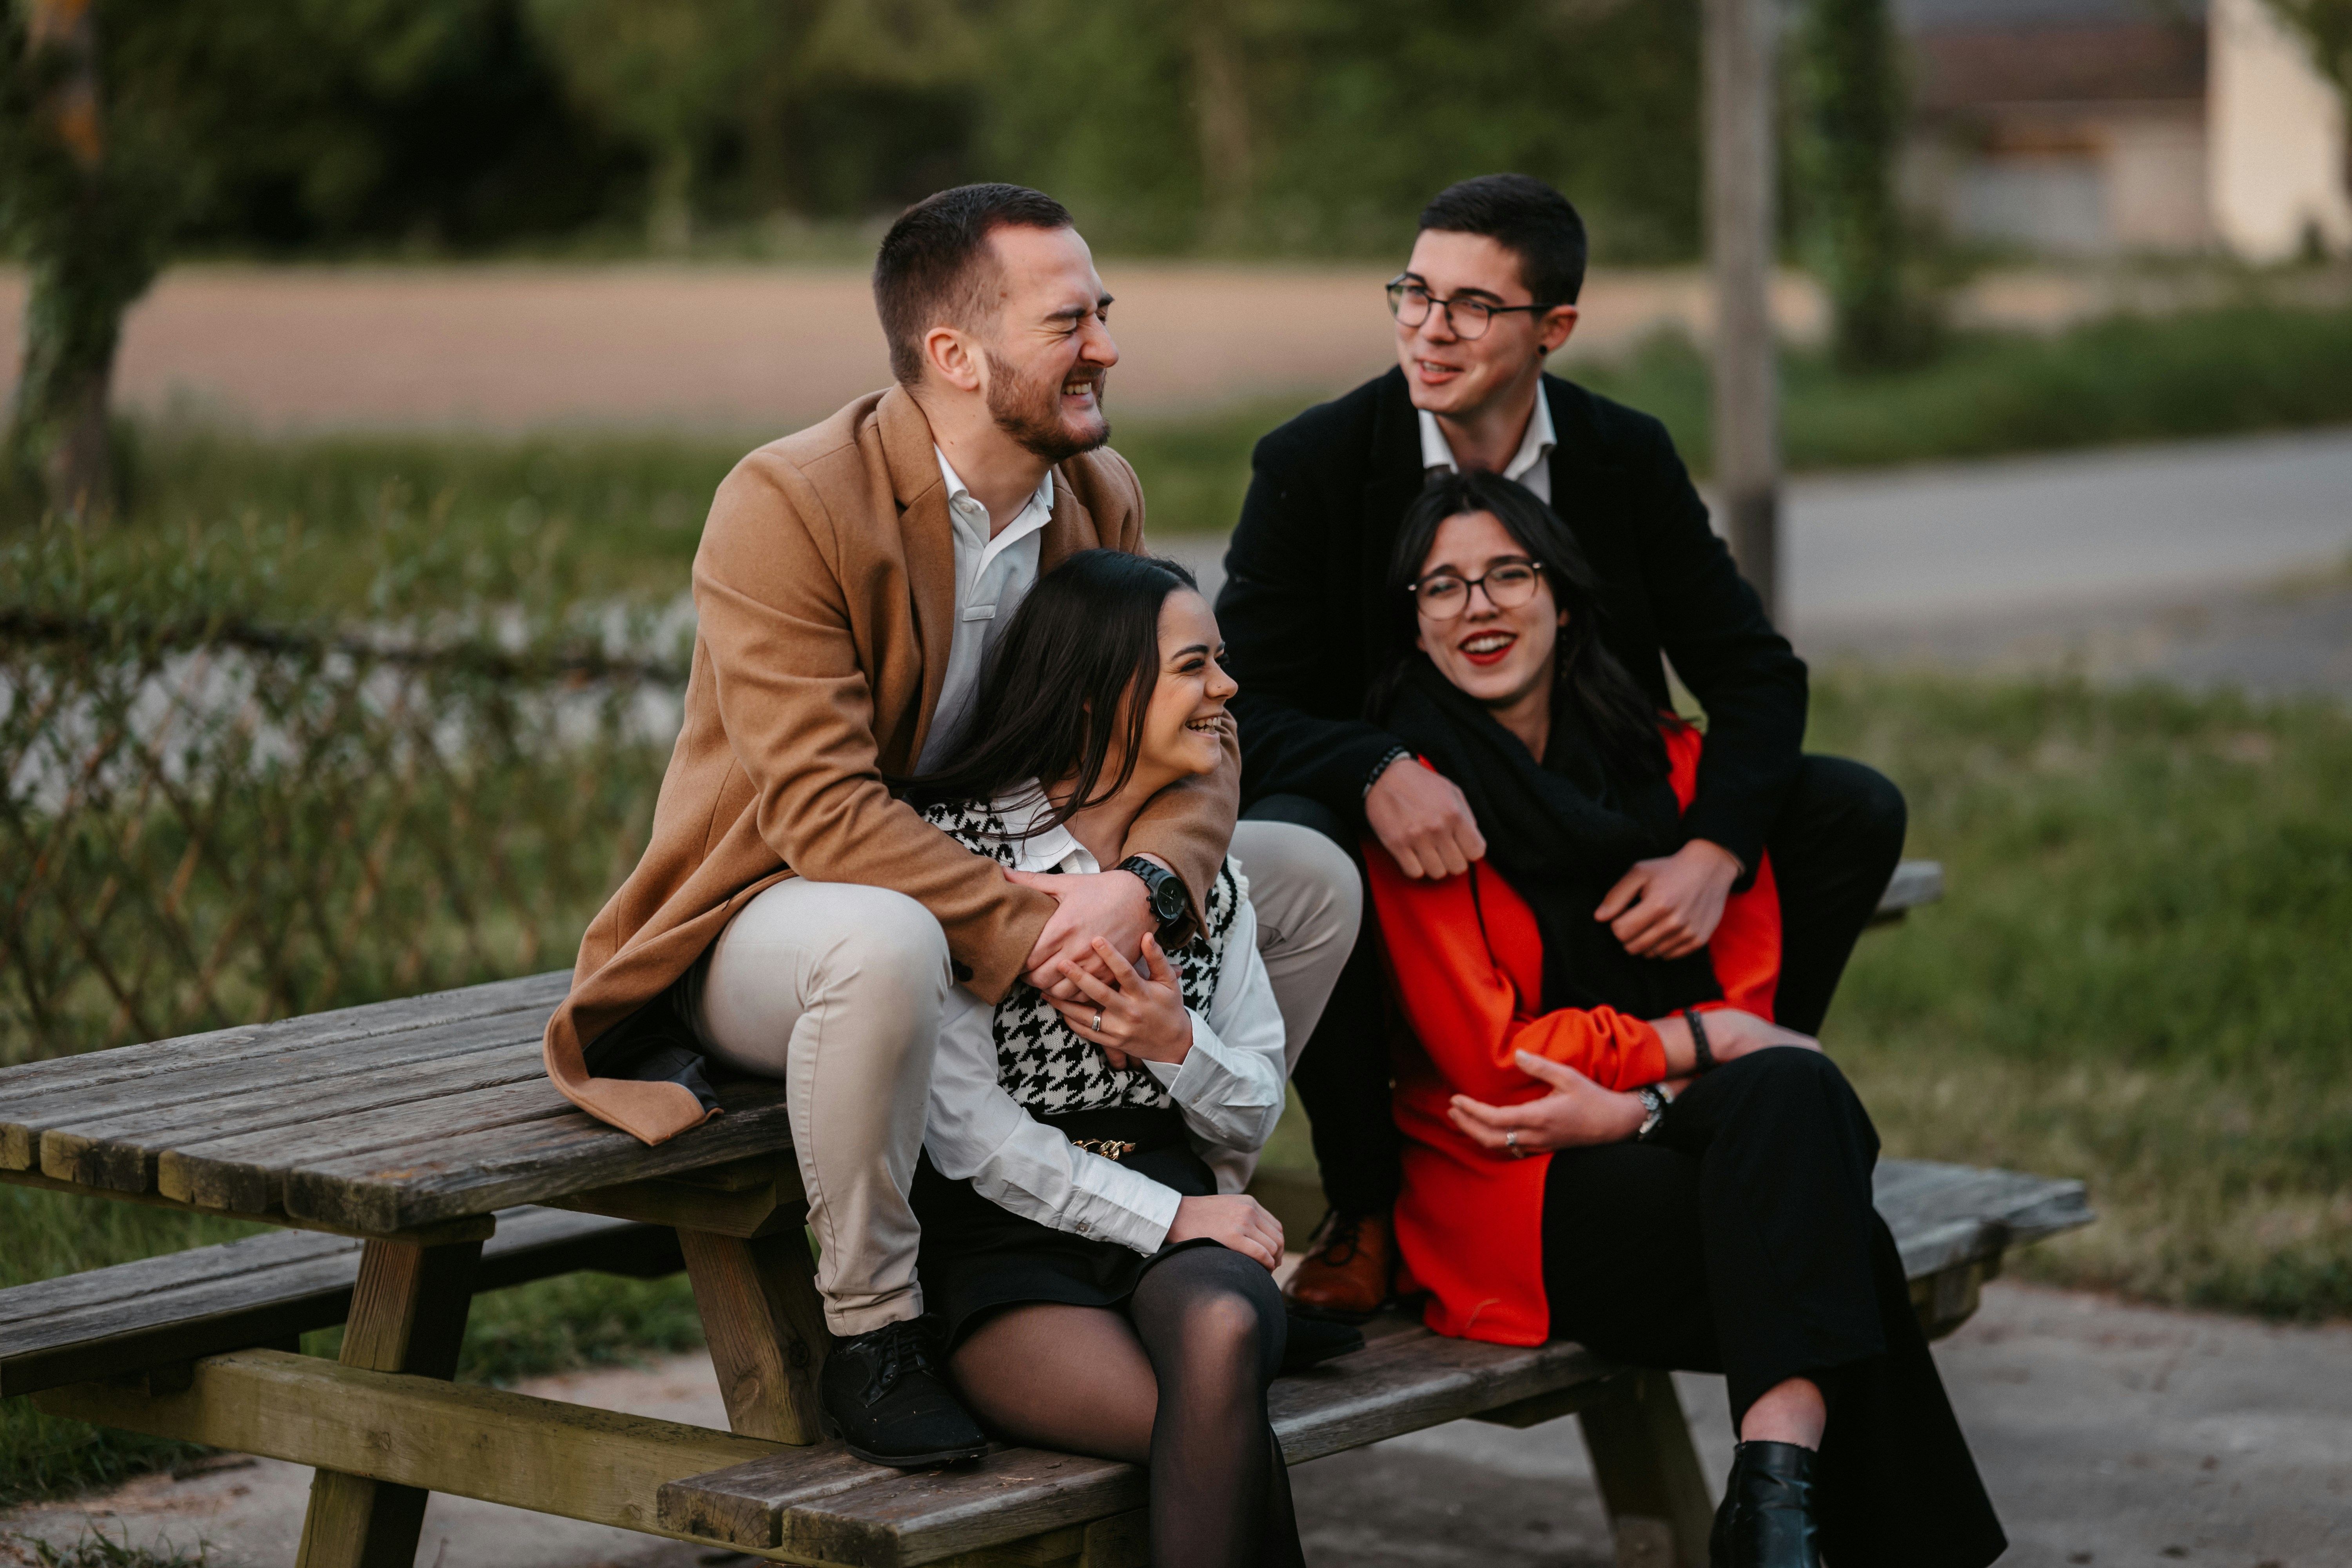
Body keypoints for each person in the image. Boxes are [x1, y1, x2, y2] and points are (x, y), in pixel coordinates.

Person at [540, 184, 1359, 1468]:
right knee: (887, 944)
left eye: (1106, 312)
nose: (1105, 345)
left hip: (1038, 869)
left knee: (1306, 875)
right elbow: (818, 810)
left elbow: (1191, 731)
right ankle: (877, 1327)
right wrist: (1043, 920)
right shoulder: (790, 502)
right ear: (955, 357)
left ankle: (1204, 1244)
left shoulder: (1101, 493)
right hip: (777, 911)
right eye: (1070, 320)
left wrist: (1141, 878)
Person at [1217, 173, 1907, 1317]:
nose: (1429, 331)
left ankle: (1739, 1091)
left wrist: (1715, 852)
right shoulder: (1317, 463)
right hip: (1410, 831)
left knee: (1849, 809)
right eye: (1415, 294)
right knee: (1304, 849)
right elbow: (1240, 700)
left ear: (1556, 329)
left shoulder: (1619, 454)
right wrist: (1373, 768)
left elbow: (1752, 670)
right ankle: (1370, 1204)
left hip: (1585, 816)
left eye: (1472, 307)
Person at [1361, 469, 2003, 1568]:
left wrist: (1641, 1108)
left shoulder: (1674, 764)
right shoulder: (1417, 808)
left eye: (1507, 574)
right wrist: (1696, 1052)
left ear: (1563, 599)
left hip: (1637, 1141)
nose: (1478, 607)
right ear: (1415, 628)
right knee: (1833, 1225)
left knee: (1798, 1145)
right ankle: (1781, 1518)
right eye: (1443, 587)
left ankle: (1774, 1504)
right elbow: (1494, 1058)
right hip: (1512, 1184)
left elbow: (1743, 986)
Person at [902, 548, 1334, 1568]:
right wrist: (1175, 1213)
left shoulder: (1200, 887)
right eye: (1197, 666)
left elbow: (1254, 1108)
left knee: (1223, 1340)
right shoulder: (960, 866)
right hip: (1008, 1248)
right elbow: (968, 1134)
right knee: (1212, 1431)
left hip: (1185, 1235)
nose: (1227, 689)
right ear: (1102, 692)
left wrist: (1174, 1046)